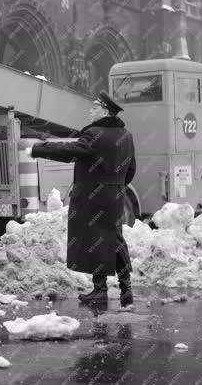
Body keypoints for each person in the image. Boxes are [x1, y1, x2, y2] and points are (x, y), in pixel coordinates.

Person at [20, 91, 136, 308]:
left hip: (92, 198)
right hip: (114, 197)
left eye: (94, 107)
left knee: (95, 241)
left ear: (104, 111)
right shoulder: (126, 136)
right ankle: (125, 289)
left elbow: (69, 151)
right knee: (114, 239)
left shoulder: (94, 134)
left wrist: (38, 149)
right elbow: (131, 169)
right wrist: (115, 186)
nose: (90, 110)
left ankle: (100, 291)